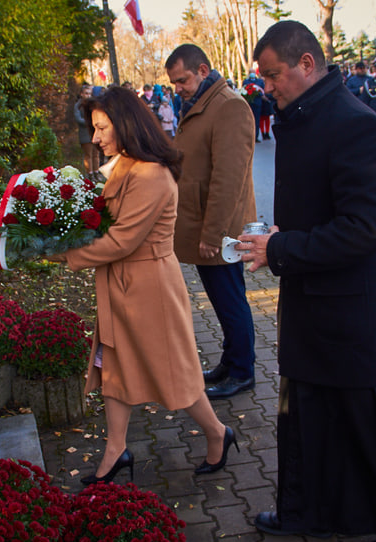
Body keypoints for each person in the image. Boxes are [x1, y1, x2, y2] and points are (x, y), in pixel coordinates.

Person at [241, 20, 376, 542]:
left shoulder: (356, 124)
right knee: (307, 413)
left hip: (356, 308)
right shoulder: (303, 116)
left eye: (272, 75)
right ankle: (307, 509)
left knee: (371, 424)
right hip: (313, 298)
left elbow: (363, 229)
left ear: (306, 65)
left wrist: (279, 249)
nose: (266, 86)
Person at [53, 87, 238, 485]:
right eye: (94, 128)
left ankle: (218, 433)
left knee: (176, 374)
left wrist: (59, 253)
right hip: (120, 285)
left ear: (126, 124)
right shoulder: (125, 166)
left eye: (102, 128)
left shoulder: (150, 174)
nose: (96, 137)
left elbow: (122, 240)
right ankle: (116, 451)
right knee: (112, 367)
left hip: (149, 289)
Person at [165, 44, 258, 399]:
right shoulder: (203, 102)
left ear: (203, 70)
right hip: (206, 224)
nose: (178, 88)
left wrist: (214, 233)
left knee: (231, 300)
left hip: (220, 228)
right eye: (174, 83)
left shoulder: (229, 106)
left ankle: (242, 371)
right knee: (224, 299)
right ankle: (231, 361)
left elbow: (228, 179)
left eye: (183, 80)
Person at [74, 83, 100, 180]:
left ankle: (96, 173)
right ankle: (90, 174)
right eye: (86, 93)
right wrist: (90, 122)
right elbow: (79, 119)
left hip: (94, 133)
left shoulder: (93, 105)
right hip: (85, 134)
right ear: (81, 94)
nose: (88, 95)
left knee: (96, 154)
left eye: (89, 93)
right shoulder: (78, 106)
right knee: (88, 154)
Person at [242, 70, 265, 141]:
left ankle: (256, 136)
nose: (252, 74)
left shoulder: (260, 81)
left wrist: (257, 92)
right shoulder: (246, 81)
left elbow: (263, 91)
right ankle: (249, 136)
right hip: (249, 104)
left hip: (257, 103)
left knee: (257, 120)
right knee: (249, 120)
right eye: (250, 72)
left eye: (253, 72)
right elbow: (243, 91)